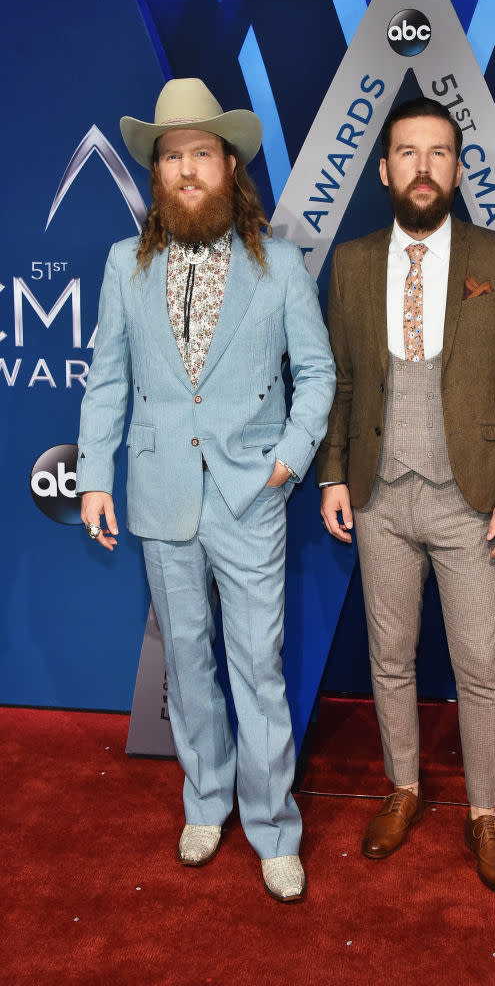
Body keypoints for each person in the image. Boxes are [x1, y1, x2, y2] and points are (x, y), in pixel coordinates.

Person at [77, 78, 335, 902]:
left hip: (250, 495)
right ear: (158, 175)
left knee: (256, 667)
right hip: (158, 492)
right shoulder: (125, 264)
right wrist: (92, 478)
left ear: (230, 165)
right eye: (172, 157)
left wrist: (287, 461)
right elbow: (106, 380)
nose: (187, 170)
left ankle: (272, 828)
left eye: (201, 155)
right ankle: (204, 802)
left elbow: (319, 374)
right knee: (188, 665)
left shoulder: (281, 265)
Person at [317, 97, 495, 895]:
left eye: (438, 153)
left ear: (457, 167)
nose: (422, 168)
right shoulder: (349, 265)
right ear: (384, 169)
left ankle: (484, 815)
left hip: (471, 500)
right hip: (381, 496)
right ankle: (404, 789)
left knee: (478, 663)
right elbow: (341, 382)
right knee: (388, 657)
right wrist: (334, 474)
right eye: (407, 153)